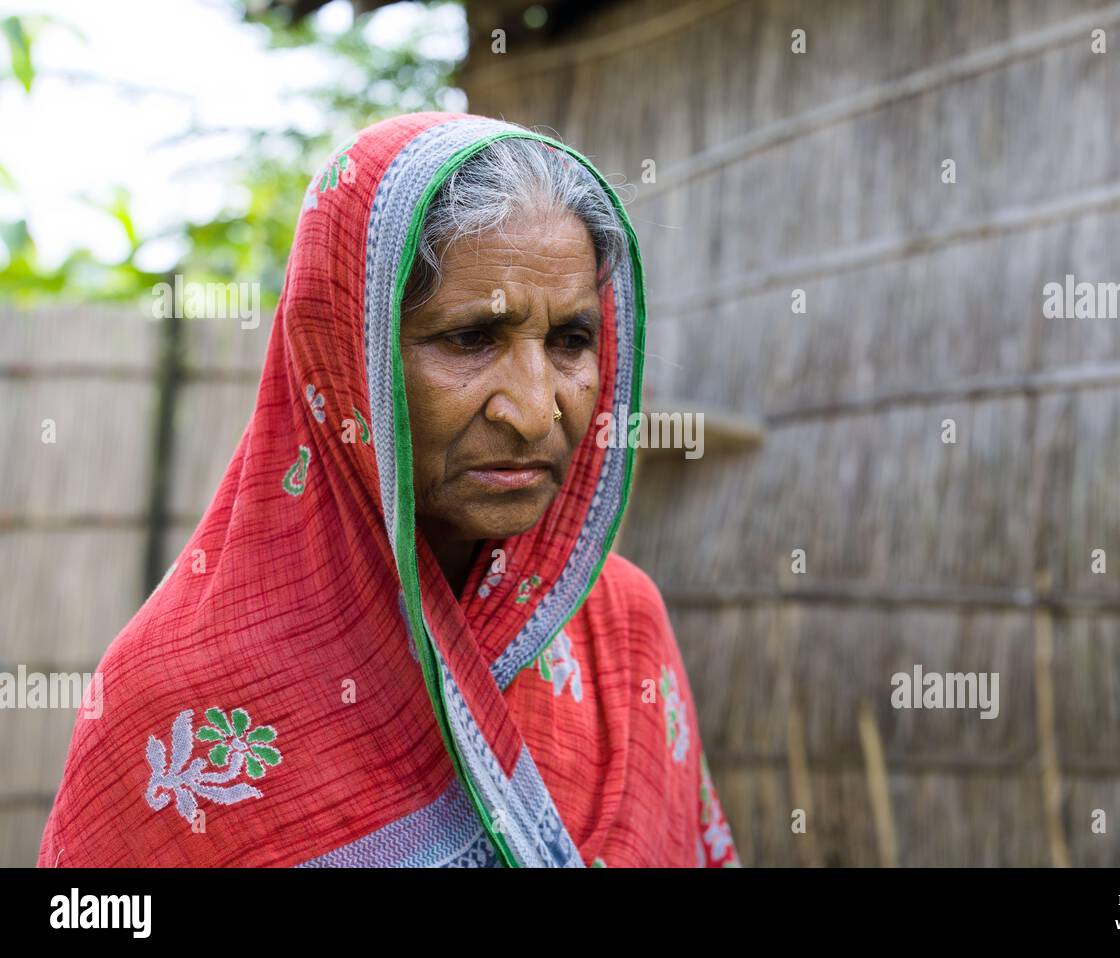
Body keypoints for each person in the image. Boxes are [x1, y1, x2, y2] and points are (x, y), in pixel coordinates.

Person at [37, 112, 739, 868]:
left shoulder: (620, 629)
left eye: (571, 341)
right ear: (347, 358)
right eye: (472, 339)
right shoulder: (176, 703)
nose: (537, 411)